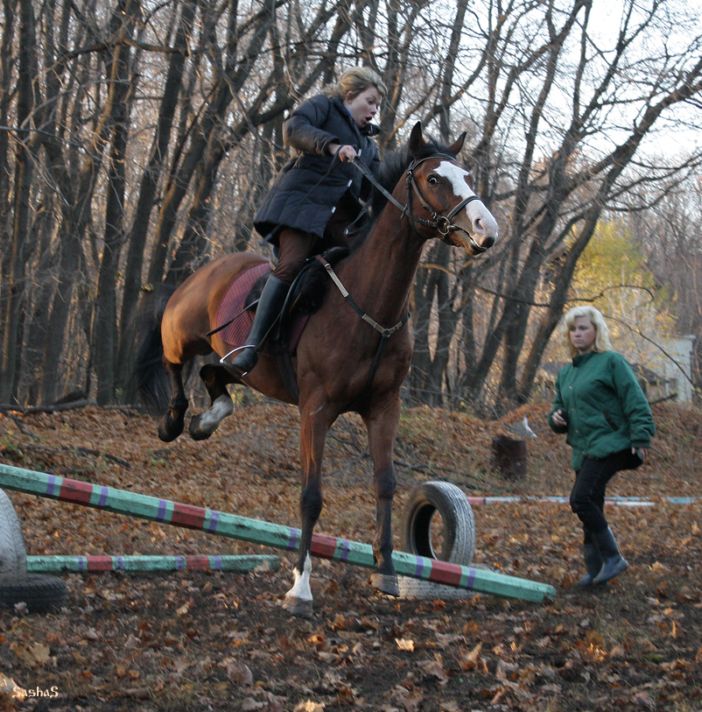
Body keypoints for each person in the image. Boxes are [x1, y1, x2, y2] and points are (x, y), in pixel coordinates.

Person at [230, 66, 386, 375]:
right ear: (351, 95)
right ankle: (252, 345)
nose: (374, 110)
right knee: (291, 265)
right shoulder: (324, 107)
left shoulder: (369, 147)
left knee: (363, 269)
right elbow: (294, 128)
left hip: (339, 220)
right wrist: (332, 146)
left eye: (378, 106)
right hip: (302, 206)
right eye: (370, 101)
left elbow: (375, 189)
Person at [548, 306, 655, 587]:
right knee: (591, 505)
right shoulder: (566, 373)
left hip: (612, 442)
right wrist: (556, 418)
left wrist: (641, 437)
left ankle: (613, 558)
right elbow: (559, 409)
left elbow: (635, 400)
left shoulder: (611, 362)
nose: (577, 333)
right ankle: (596, 572)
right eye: (573, 329)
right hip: (583, 448)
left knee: (580, 499)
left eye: (583, 328)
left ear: (596, 331)